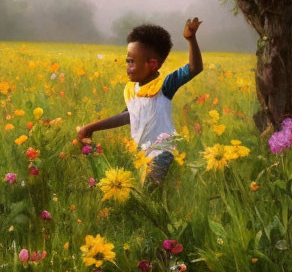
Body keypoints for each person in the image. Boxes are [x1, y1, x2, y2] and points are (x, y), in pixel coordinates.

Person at [77, 18, 203, 185]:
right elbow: (128, 116)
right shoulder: (132, 90)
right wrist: (92, 127)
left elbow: (195, 68)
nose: (128, 66)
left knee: (150, 188)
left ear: (152, 64)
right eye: (127, 61)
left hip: (161, 151)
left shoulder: (163, 86)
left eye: (132, 62)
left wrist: (191, 39)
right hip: (141, 152)